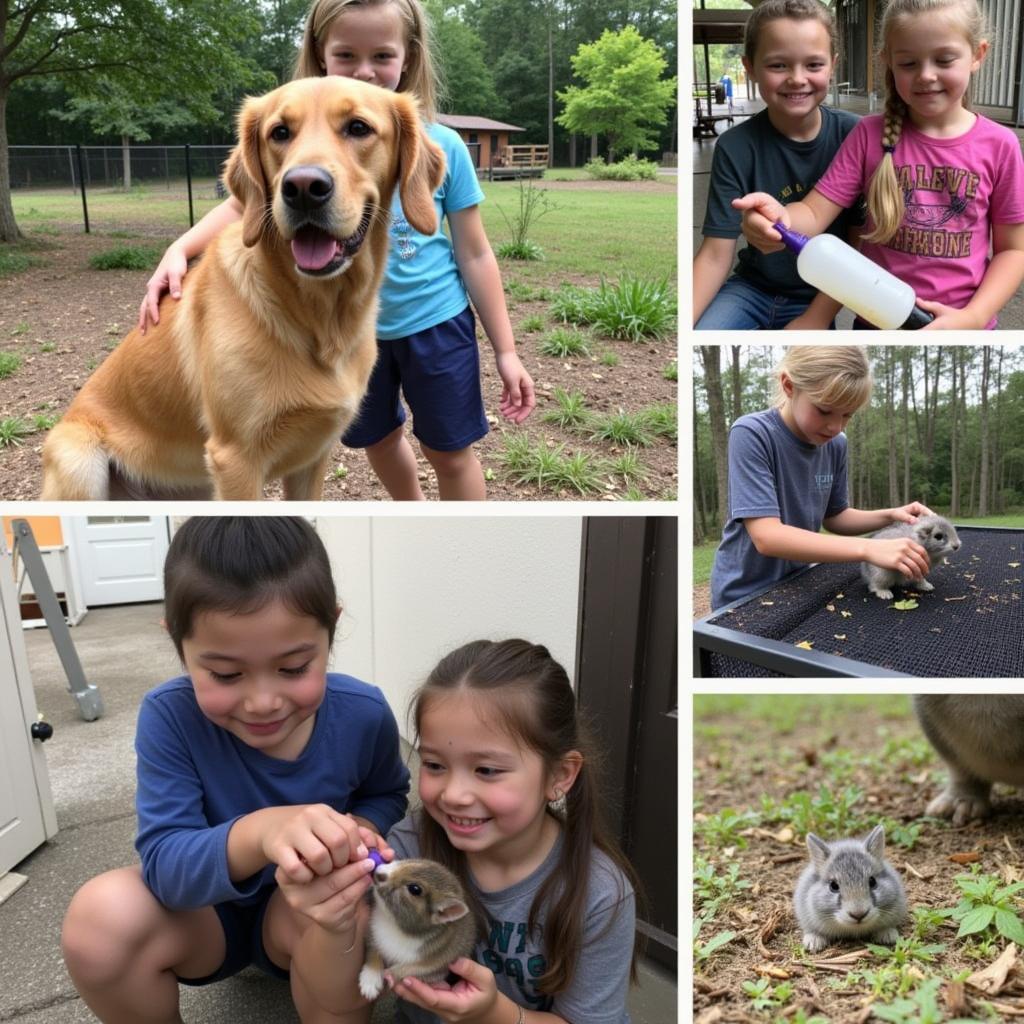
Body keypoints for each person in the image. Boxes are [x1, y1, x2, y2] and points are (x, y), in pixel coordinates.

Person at [139, 0, 535, 500]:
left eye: (382, 56)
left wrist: (506, 351)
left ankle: (462, 540)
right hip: (351, 336)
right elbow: (247, 206)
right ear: (322, 54)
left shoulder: (436, 144)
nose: (365, 70)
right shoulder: (287, 147)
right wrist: (180, 247)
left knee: (451, 453)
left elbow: (476, 254)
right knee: (381, 441)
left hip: (435, 326)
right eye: (347, 54)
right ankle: (411, 513)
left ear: (407, 58)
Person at [61, 517, 410, 1023]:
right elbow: (166, 868)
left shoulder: (364, 712)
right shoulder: (169, 717)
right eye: (225, 674)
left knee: (354, 907)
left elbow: (388, 792)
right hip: (205, 918)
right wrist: (262, 831)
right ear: (178, 645)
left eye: (293, 668)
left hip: (308, 917)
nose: (263, 702)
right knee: (101, 919)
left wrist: (365, 824)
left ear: (330, 630)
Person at [383, 639, 640, 1024]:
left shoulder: (600, 894)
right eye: (434, 764)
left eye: (486, 770)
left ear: (559, 776)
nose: (453, 794)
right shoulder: (407, 851)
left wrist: (494, 1014)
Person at [736, 0, 1024, 330]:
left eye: (944, 60)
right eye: (908, 63)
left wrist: (973, 317)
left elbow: (1013, 251)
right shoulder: (868, 135)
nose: (926, 75)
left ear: (977, 55)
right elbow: (814, 214)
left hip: (966, 326)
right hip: (877, 323)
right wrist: (782, 217)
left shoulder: (1001, 145)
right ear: (887, 60)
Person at [711, 346, 936, 611]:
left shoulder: (836, 443)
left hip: (799, 583)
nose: (836, 427)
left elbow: (835, 517)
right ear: (789, 386)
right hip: (743, 594)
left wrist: (892, 515)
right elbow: (767, 536)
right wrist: (870, 548)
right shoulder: (752, 433)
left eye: (848, 415)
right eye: (824, 411)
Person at [694, 0, 862, 330]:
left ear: (833, 65)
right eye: (778, 65)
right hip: (752, 289)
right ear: (750, 67)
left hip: (819, 295)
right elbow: (715, 255)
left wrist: (817, 318)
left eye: (814, 64)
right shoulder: (735, 146)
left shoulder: (855, 135)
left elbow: (860, 245)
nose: (797, 79)